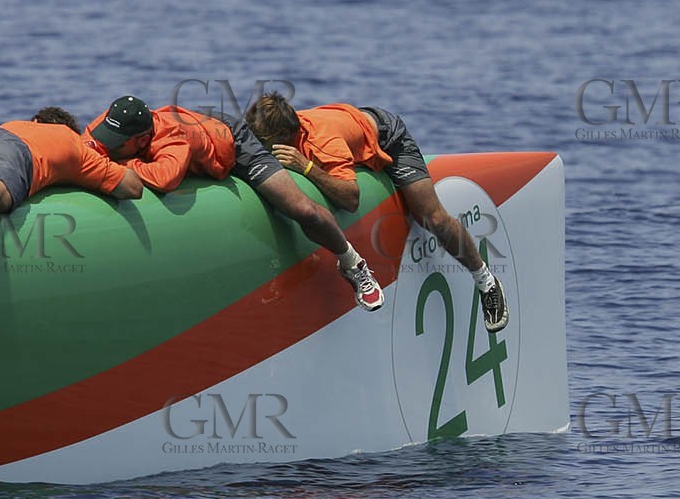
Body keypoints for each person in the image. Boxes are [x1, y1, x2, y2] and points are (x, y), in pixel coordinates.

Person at [84, 95, 385, 312]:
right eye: (107, 136)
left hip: (235, 144)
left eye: (116, 142)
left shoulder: (172, 138)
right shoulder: (109, 125)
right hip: (201, 122)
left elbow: (165, 178)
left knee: (300, 209)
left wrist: (121, 164)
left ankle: (353, 264)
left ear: (140, 140)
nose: (107, 143)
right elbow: (85, 145)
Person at [244, 94, 507, 331]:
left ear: (282, 137)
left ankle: (486, 281)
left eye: (261, 143)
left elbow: (351, 198)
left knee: (431, 217)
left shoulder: (323, 145)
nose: (255, 147)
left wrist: (307, 167)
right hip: (352, 120)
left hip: (388, 135)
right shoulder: (268, 132)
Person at [0, 106, 144, 292]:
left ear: (36, 121)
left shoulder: (17, 124)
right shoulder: (73, 143)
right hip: (15, 149)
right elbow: (132, 188)